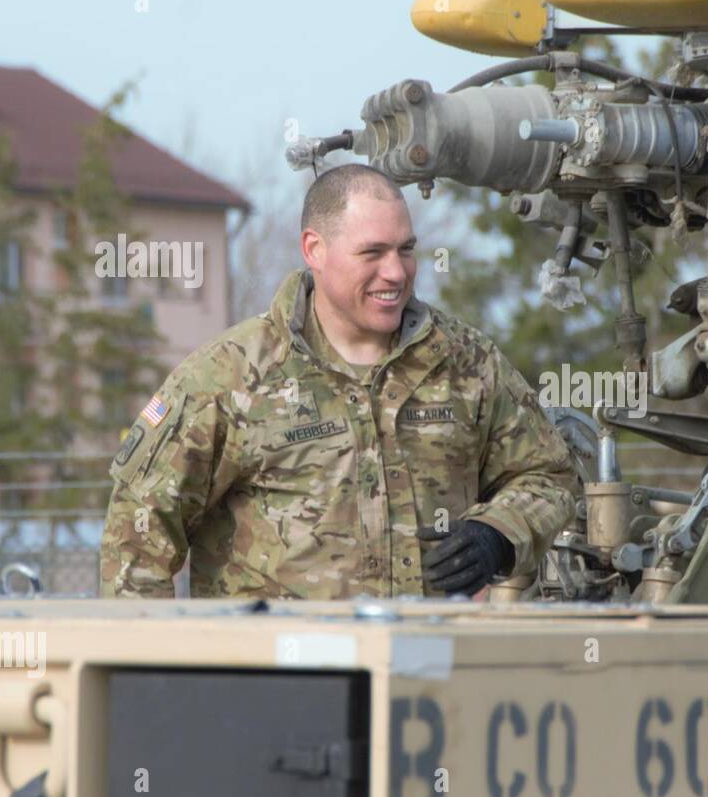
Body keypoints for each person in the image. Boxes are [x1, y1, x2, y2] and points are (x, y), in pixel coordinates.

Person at [99, 164, 577, 599]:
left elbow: (550, 476)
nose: (395, 272)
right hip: (281, 678)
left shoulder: (467, 363)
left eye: (406, 249)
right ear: (315, 250)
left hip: (427, 670)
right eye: (372, 252)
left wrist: (498, 533)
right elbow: (138, 535)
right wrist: (155, 674)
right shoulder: (228, 377)